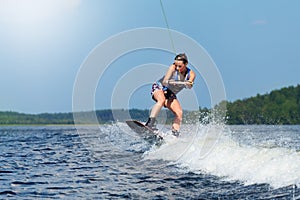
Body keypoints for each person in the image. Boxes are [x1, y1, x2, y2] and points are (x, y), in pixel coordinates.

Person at [145, 53, 196, 136]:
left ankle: (174, 134)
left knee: (179, 113)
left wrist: (188, 83)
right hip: (160, 87)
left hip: (170, 93)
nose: (177, 68)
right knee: (161, 100)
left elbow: (190, 86)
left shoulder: (191, 74)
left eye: (180, 66)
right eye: (176, 65)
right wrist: (170, 81)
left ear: (186, 64)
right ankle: (150, 123)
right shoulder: (172, 68)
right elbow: (165, 81)